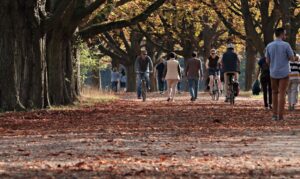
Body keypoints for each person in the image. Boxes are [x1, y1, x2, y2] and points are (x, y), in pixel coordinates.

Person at [265, 27, 294, 121]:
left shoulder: (269, 45)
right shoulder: (286, 45)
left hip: (273, 72)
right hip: (284, 72)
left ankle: (274, 115)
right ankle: (280, 116)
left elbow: (267, 60)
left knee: (274, 92)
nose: (285, 36)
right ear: (281, 34)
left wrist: (272, 66)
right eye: (284, 34)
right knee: (282, 93)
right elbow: (291, 58)